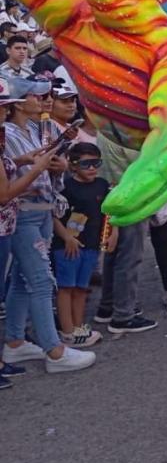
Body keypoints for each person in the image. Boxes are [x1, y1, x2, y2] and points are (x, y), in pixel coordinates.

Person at [0, 77, 96, 373]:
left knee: (23, 279)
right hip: (24, 211)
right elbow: (8, 187)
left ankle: (15, 341)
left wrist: (56, 166)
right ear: (18, 104)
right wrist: (39, 167)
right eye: (35, 96)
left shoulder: (31, 130)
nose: (44, 101)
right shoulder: (9, 132)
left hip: (41, 209)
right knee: (41, 281)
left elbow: (20, 166)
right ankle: (54, 350)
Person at [51, 143, 113, 347]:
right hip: (67, 246)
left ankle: (78, 327)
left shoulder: (103, 185)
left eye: (97, 163)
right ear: (73, 165)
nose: (93, 168)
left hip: (92, 245)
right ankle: (67, 331)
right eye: (87, 164)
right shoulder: (65, 188)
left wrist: (113, 234)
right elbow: (53, 215)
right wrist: (67, 238)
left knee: (82, 288)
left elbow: (110, 213)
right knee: (66, 288)